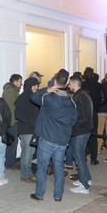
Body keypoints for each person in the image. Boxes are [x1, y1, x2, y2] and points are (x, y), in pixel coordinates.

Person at [29, 74, 77, 202]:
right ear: (66, 84)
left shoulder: (48, 98)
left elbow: (33, 97)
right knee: (59, 168)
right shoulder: (71, 102)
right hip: (62, 141)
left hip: (47, 139)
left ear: (55, 82)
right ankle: (58, 196)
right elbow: (73, 120)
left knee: (42, 168)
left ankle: (39, 194)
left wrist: (46, 89)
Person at [68, 75, 93, 194]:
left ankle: (84, 185)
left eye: (70, 83)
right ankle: (86, 178)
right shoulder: (82, 94)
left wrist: (72, 124)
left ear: (74, 83)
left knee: (79, 157)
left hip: (81, 131)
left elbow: (83, 116)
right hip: (82, 130)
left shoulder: (80, 96)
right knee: (79, 156)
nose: (68, 85)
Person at [15, 77, 39, 183]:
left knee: (31, 151)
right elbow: (18, 114)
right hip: (26, 130)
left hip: (33, 129)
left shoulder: (33, 97)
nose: (37, 87)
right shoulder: (23, 98)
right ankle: (25, 175)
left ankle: (28, 172)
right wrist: (32, 121)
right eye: (35, 85)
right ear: (31, 86)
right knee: (27, 152)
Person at [81, 67, 102, 165]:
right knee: (94, 136)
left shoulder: (82, 85)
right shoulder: (98, 85)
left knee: (84, 135)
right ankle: (94, 158)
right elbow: (104, 97)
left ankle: (84, 156)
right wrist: (98, 105)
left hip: (84, 112)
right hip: (93, 112)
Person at [2, 74, 22, 169]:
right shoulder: (11, 91)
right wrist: (12, 122)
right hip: (12, 122)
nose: (21, 83)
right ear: (15, 82)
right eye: (20, 81)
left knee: (12, 142)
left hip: (12, 121)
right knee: (12, 143)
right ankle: (9, 163)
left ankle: (10, 162)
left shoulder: (13, 90)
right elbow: (11, 108)